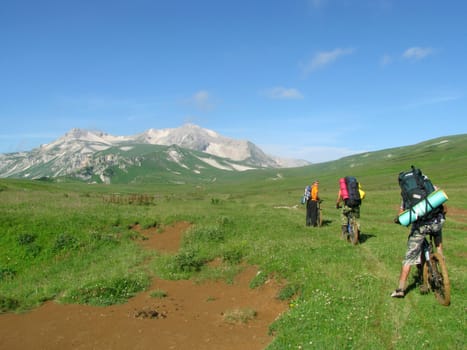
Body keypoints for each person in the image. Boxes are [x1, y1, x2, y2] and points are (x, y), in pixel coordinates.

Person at [391, 181, 447, 298]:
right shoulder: (431, 187)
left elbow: (402, 215)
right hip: (437, 222)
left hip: (420, 227)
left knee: (409, 257)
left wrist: (398, 220)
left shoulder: (407, 194)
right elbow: (444, 207)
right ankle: (441, 260)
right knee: (437, 235)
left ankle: (400, 289)